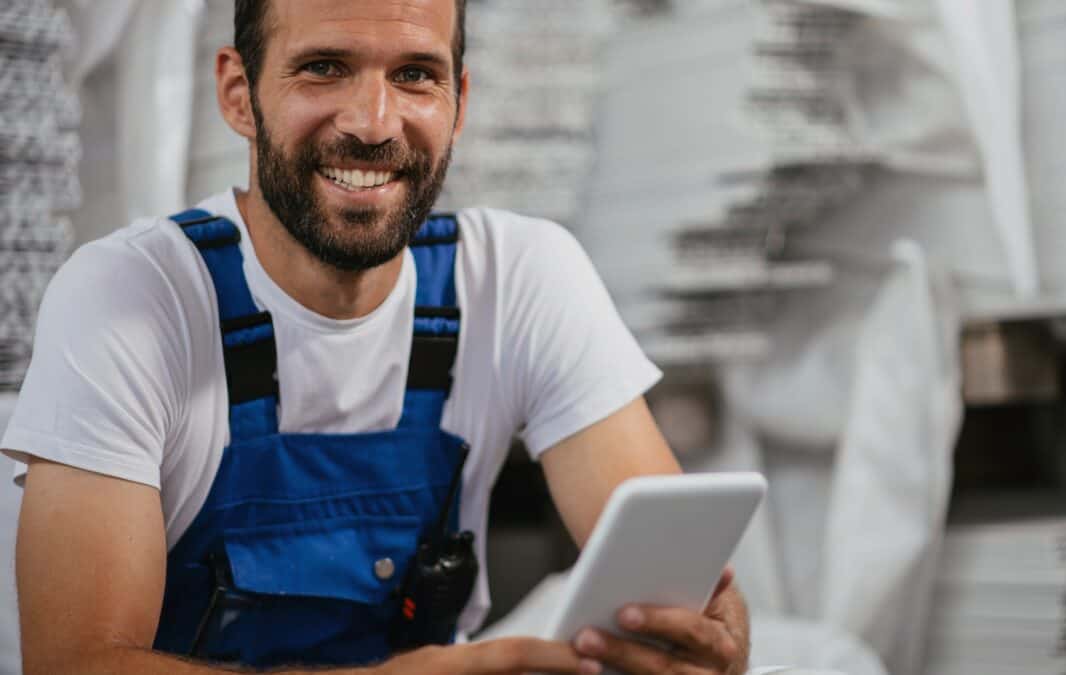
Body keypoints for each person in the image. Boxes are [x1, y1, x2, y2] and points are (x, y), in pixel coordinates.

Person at [4, 1, 750, 673]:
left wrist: (700, 629)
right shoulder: (133, 296)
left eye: (417, 74)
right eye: (324, 69)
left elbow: (676, 565)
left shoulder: (518, 277)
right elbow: (73, 663)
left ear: (459, 103)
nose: (373, 122)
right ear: (238, 92)